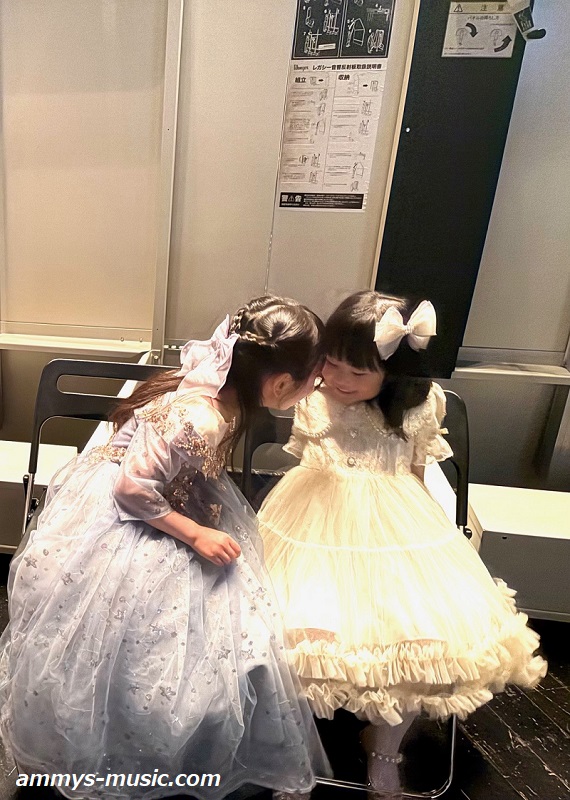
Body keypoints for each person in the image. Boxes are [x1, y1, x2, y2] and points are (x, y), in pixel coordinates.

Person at [0, 295, 331, 799]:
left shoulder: (220, 388)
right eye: (313, 381)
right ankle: (132, 749)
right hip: (131, 513)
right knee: (142, 639)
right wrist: (195, 533)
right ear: (282, 383)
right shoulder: (201, 416)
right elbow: (131, 490)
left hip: (169, 495)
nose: (314, 390)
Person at [258, 291, 547, 798]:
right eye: (332, 363)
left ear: (393, 373)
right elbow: (302, 452)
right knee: (290, 630)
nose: (339, 379)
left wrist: (429, 541)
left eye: (358, 371)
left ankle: (386, 746)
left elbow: (415, 473)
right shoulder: (312, 396)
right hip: (313, 518)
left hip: (394, 517)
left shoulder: (420, 404)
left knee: (424, 634)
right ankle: (294, 747)